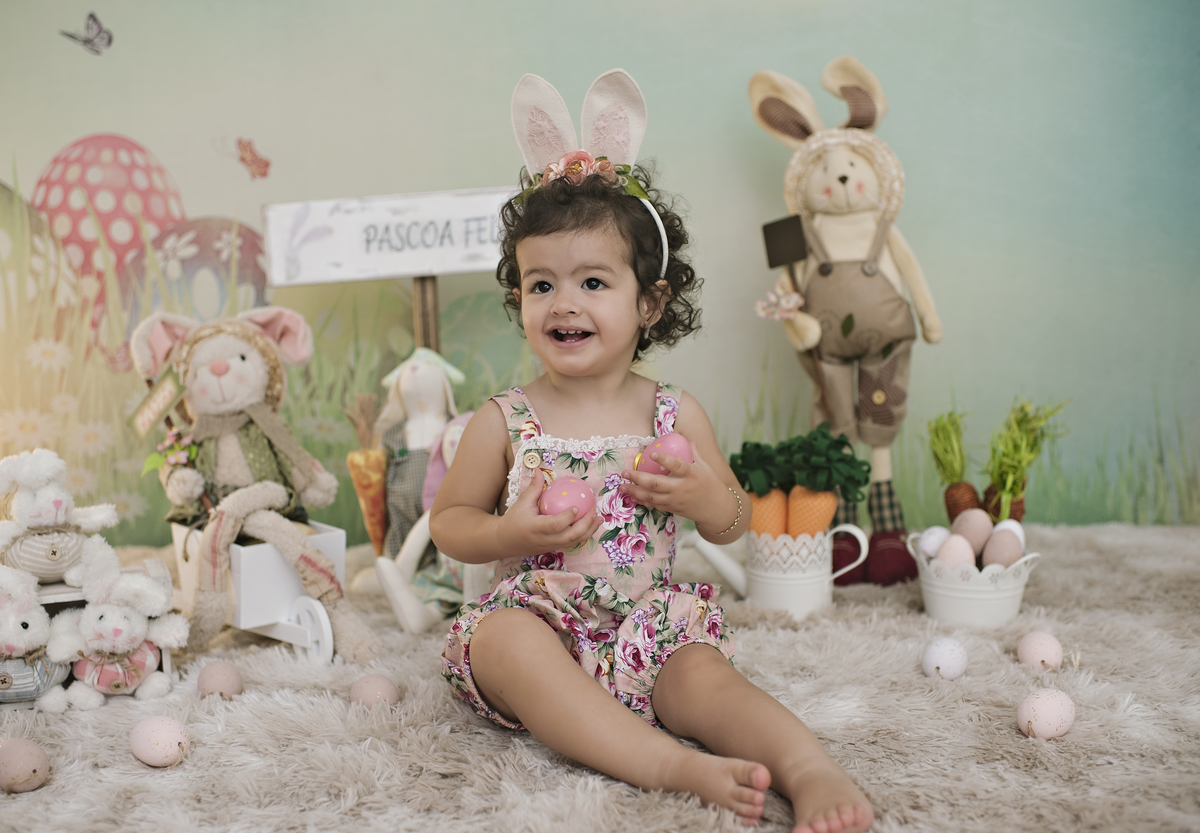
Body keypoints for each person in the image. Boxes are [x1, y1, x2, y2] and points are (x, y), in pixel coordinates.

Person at [429, 71, 874, 833]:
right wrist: (509, 534)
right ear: (519, 302)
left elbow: (734, 520)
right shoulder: (506, 419)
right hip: (542, 623)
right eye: (541, 284)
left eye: (593, 281)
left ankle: (806, 766)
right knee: (504, 641)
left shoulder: (672, 413)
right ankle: (669, 764)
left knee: (704, 673)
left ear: (651, 302)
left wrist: (700, 496)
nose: (563, 303)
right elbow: (450, 522)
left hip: (646, 627)